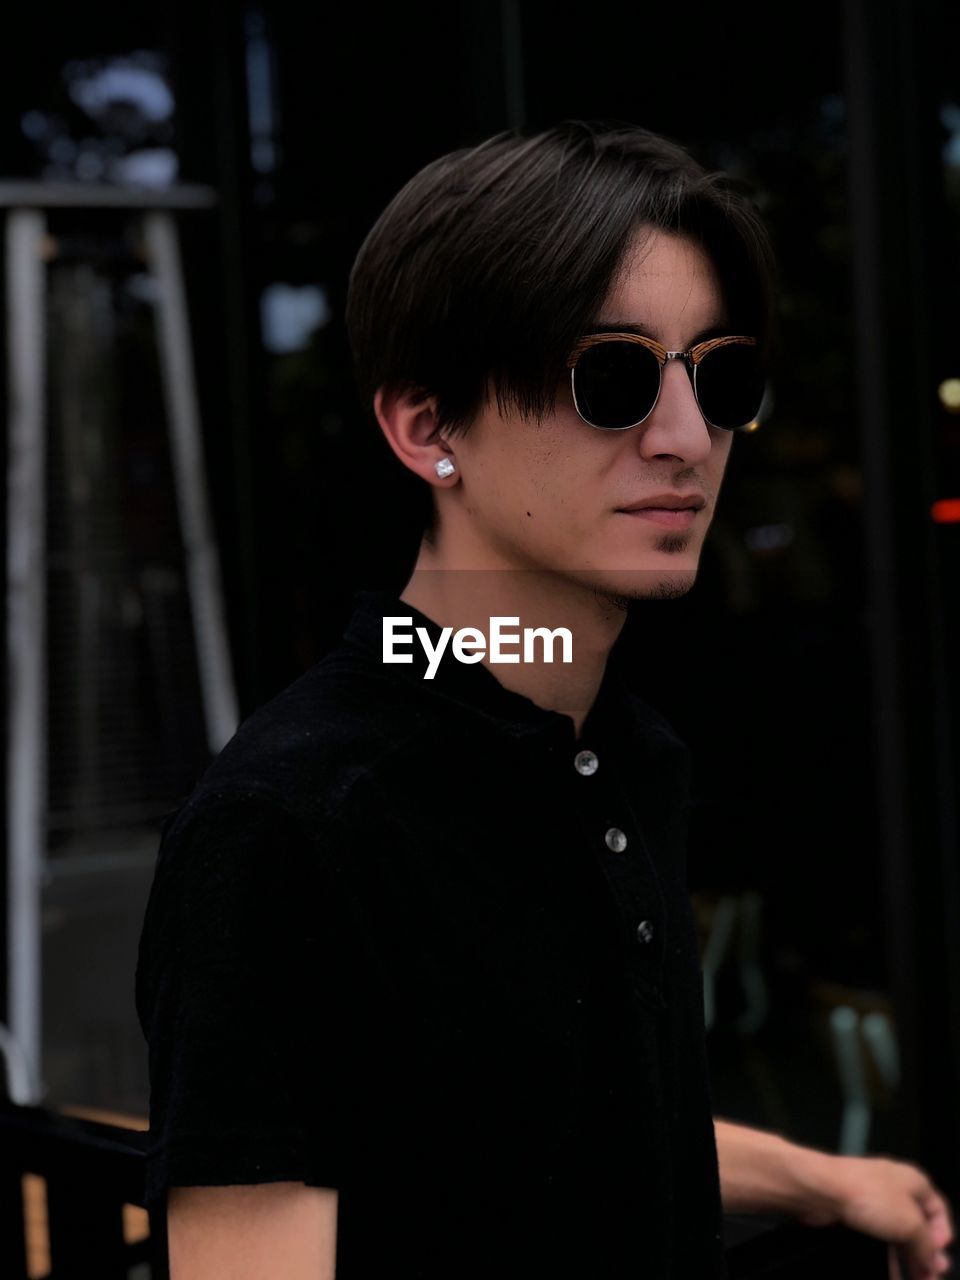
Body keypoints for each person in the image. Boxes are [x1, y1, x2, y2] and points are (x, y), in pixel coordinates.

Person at [135, 120, 954, 1279]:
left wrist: (826, 1176)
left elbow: (556, 1130)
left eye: (719, 376)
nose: (687, 438)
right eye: (611, 376)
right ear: (429, 429)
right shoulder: (294, 822)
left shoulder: (620, 750)